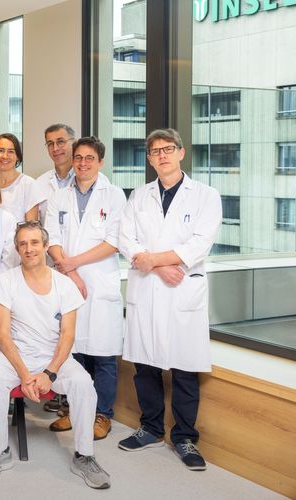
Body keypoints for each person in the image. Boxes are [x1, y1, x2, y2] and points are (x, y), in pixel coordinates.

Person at [0, 221, 110, 489]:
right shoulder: (5, 281)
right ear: (17, 249)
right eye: (23, 244)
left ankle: (84, 456)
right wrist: (25, 375)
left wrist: (50, 373)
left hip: (54, 356)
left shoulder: (64, 285)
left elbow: (67, 335)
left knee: (83, 384)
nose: (29, 249)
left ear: (46, 246)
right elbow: (3, 334)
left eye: (35, 242)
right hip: (16, 354)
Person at [117, 128, 222, 471]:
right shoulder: (139, 196)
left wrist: (154, 260)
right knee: (145, 366)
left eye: (167, 149)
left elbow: (200, 243)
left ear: (181, 153)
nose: (161, 155)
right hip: (150, 286)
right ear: (149, 159)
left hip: (182, 291)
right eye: (155, 151)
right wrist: (160, 266)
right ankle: (150, 428)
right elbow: (125, 239)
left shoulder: (205, 195)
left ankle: (185, 437)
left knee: (185, 368)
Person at [44, 137, 127, 439]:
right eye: (78, 157)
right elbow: (51, 237)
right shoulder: (59, 196)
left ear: (100, 162)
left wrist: (72, 265)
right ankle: (75, 410)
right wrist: (70, 271)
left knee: (103, 355)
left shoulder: (114, 196)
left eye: (89, 158)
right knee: (72, 351)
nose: (82, 163)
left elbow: (113, 242)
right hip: (68, 283)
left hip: (99, 282)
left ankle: (102, 414)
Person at [0, 133, 42, 223]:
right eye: (1, 150)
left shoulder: (28, 184)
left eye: (11, 151)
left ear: (18, 156)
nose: (5, 156)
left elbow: (31, 227)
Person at [35, 124, 76, 224]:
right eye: (50, 144)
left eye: (60, 142)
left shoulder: (90, 180)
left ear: (74, 143)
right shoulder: (39, 183)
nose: (55, 149)